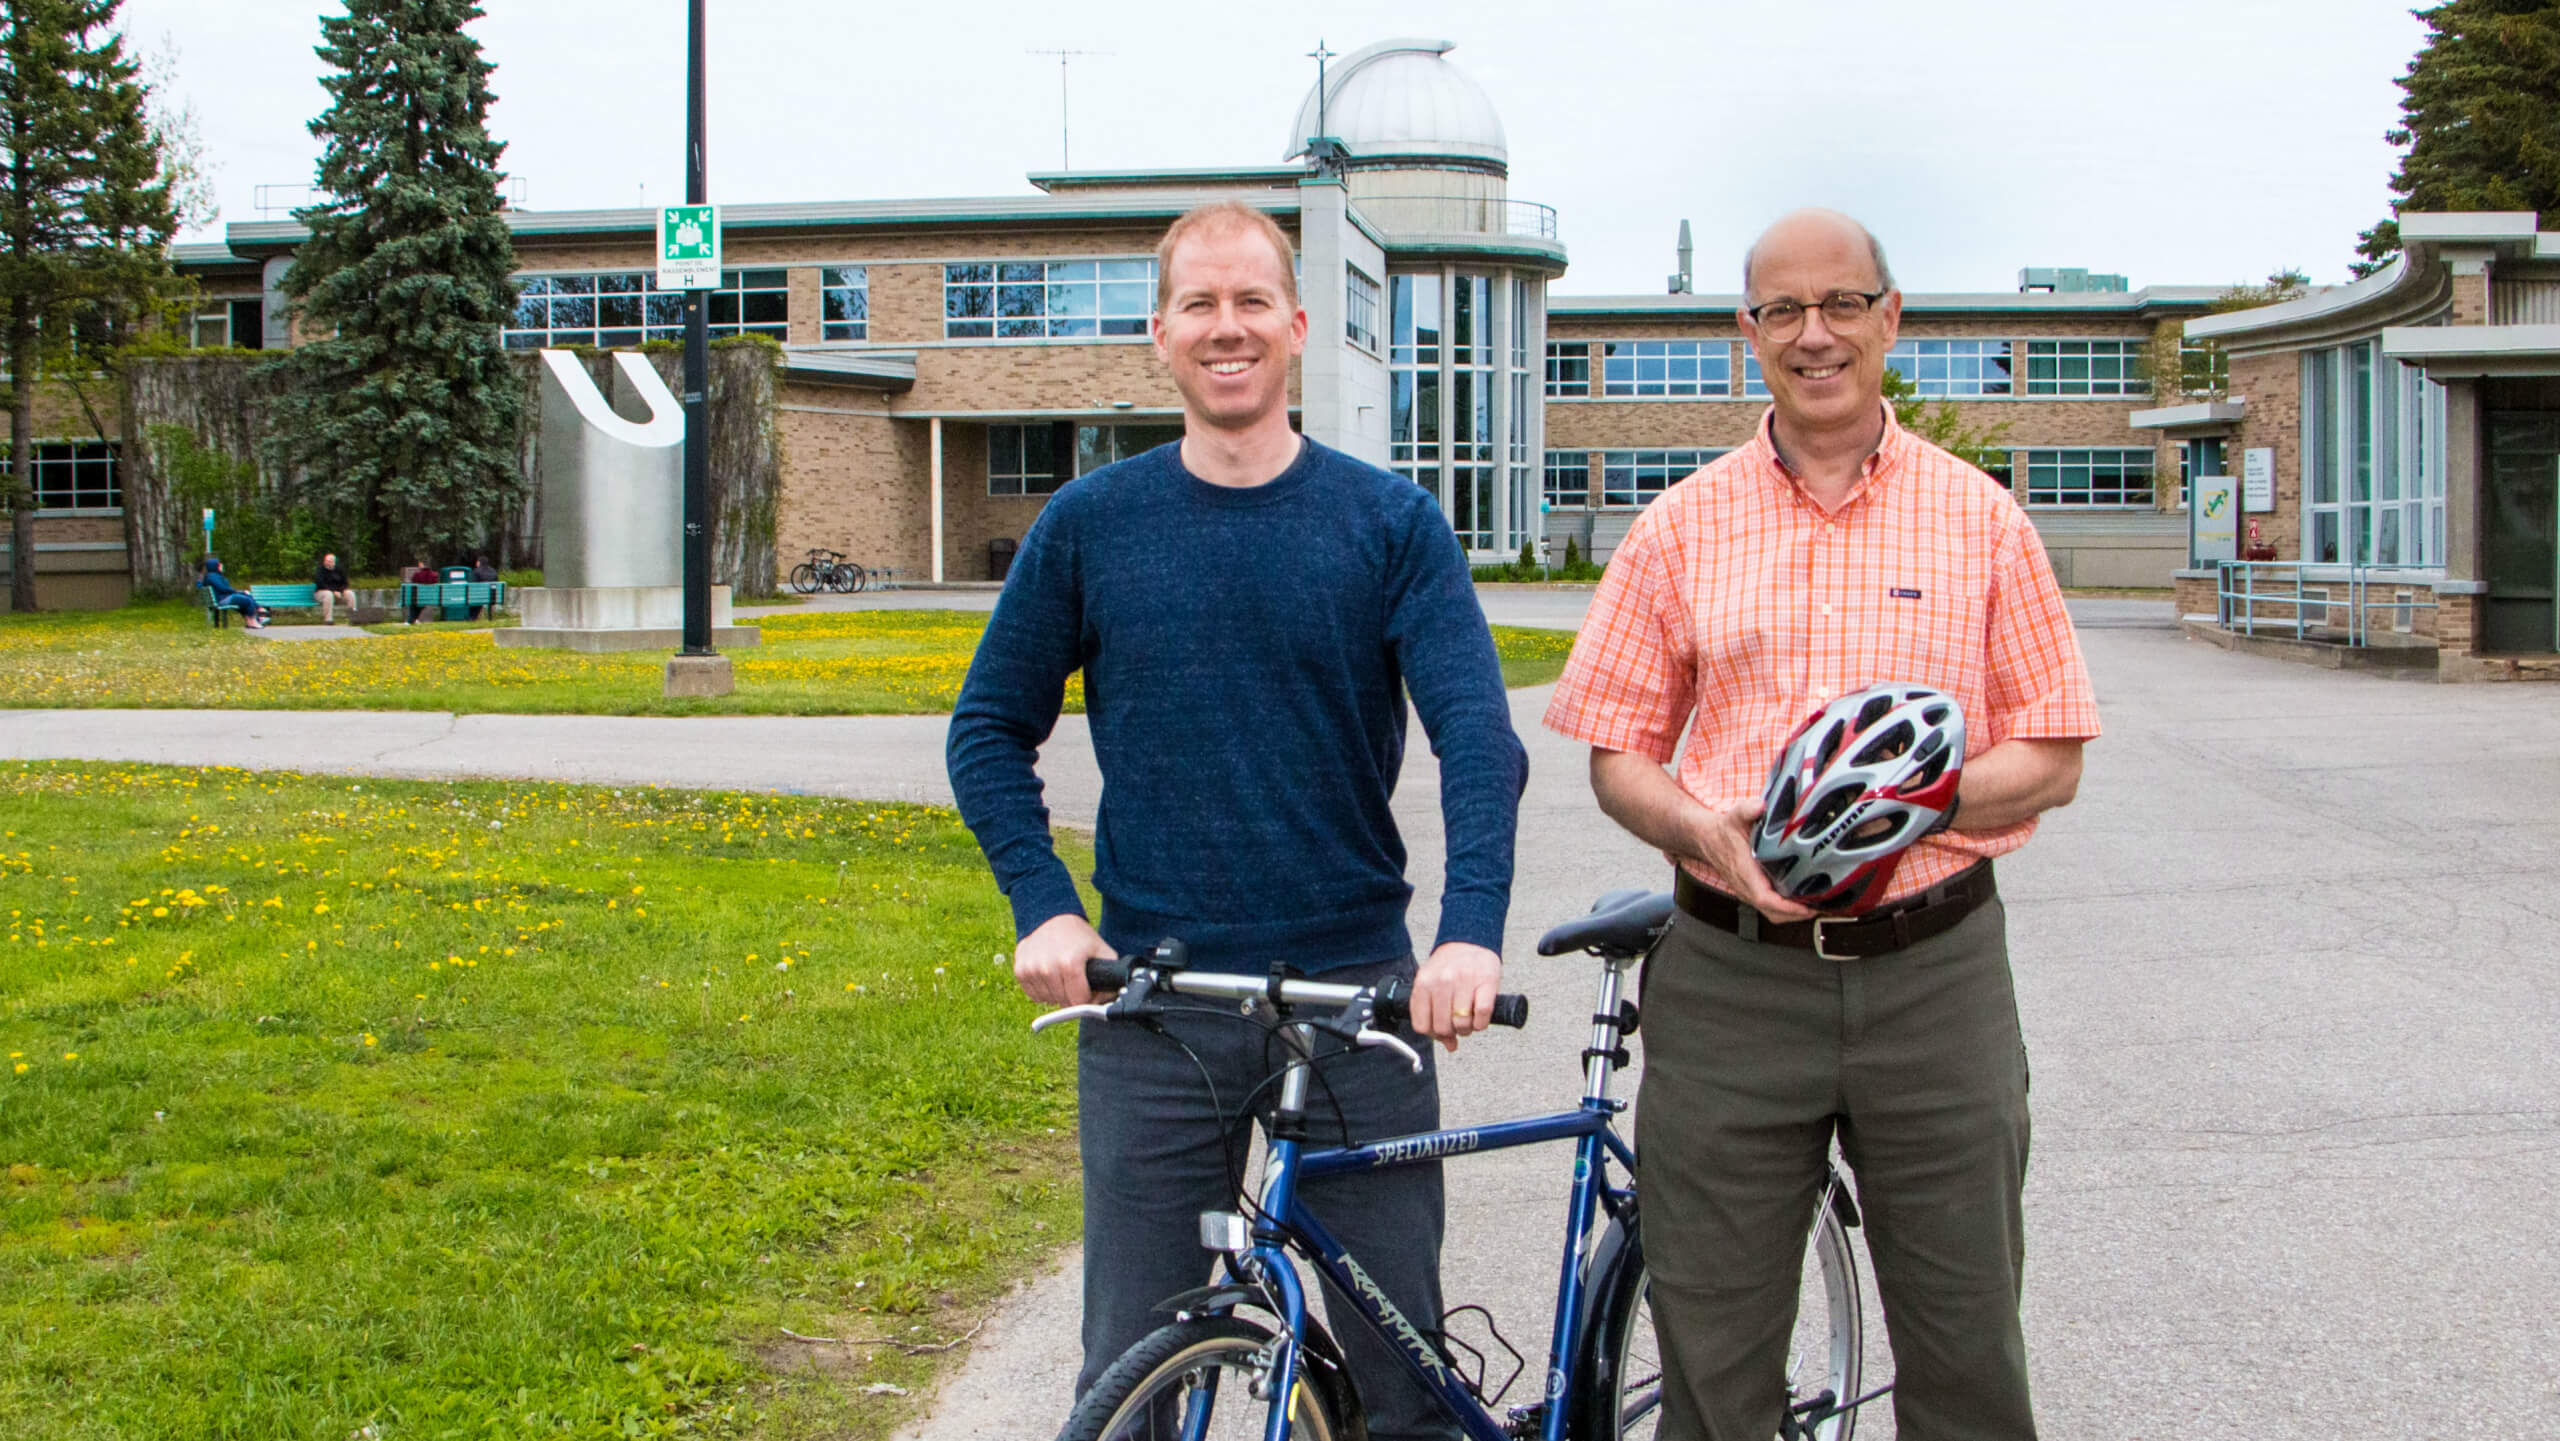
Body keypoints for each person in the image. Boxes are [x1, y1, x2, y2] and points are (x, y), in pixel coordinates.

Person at [946, 200, 1527, 1440]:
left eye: (1252, 301)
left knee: (1398, 1362)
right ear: (1160, 334)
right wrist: (1043, 902)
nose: (1228, 328)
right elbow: (986, 729)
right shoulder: (1092, 527)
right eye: (1200, 305)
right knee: (1136, 1367)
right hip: (1158, 997)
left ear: (1298, 327)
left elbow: (1477, 736)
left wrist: (1468, 931)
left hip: (1358, 993)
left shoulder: (1389, 525)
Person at [1540, 208, 2099, 1441]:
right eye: (1782, 310)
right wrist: (1702, 830)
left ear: (1890, 318)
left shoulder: (1982, 519)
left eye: (1841, 303)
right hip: (1732, 981)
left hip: (1934, 974)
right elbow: (1616, 754)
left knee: (1965, 1357)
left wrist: (1889, 806)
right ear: (1748, 334)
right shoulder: (1678, 526)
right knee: (1713, 1361)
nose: (1815, 334)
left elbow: (2052, 751)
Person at [197, 555, 266, 629]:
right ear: (215, 566)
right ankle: (256, 617)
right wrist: (237, 591)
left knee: (246, 596)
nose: (221, 566)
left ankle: (253, 619)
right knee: (246, 600)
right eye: (219, 564)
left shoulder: (213, 576)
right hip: (222, 599)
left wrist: (239, 592)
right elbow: (223, 589)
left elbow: (224, 589)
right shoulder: (213, 577)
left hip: (222, 598)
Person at [312, 552, 356, 624]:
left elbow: (345, 583)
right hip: (321, 593)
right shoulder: (320, 570)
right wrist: (333, 591)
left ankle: (353, 618)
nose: (327, 563)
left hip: (338, 593)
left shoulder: (339, 570)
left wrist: (341, 591)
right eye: (326, 561)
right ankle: (328, 619)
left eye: (329, 561)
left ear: (334, 562)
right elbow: (321, 584)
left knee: (350, 594)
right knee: (328, 594)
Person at [403, 558, 439, 623]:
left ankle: (410, 620)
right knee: (420, 603)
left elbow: (413, 586)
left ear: (421, 565)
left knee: (414, 601)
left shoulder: (417, 575)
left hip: (418, 598)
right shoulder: (434, 575)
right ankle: (414, 619)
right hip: (429, 598)